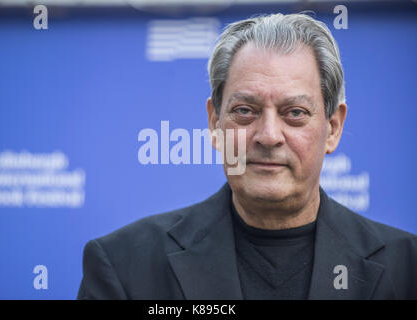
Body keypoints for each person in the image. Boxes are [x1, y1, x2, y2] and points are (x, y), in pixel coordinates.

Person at [77, 13, 417, 300]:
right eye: (244, 110)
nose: (268, 135)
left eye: (295, 112)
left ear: (332, 128)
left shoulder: (407, 268)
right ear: (214, 123)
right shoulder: (124, 265)